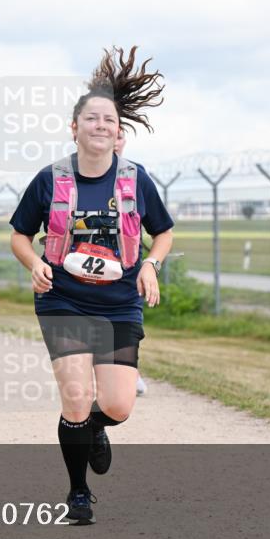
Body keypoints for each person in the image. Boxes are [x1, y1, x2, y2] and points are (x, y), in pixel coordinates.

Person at [9, 46, 173, 525]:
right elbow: (19, 235)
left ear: (118, 132)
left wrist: (151, 265)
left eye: (109, 120)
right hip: (63, 300)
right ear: (74, 127)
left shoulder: (136, 179)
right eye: (91, 118)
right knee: (76, 398)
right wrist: (33, 263)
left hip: (119, 303)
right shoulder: (50, 179)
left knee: (117, 406)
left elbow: (162, 232)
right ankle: (79, 492)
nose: (100, 125)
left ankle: (93, 429)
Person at [114, 129, 150, 399]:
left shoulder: (135, 174)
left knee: (125, 326)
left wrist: (150, 264)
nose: (115, 141)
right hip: (86, 267)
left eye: (120, 135)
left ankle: (129, 370)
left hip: (126, 268)